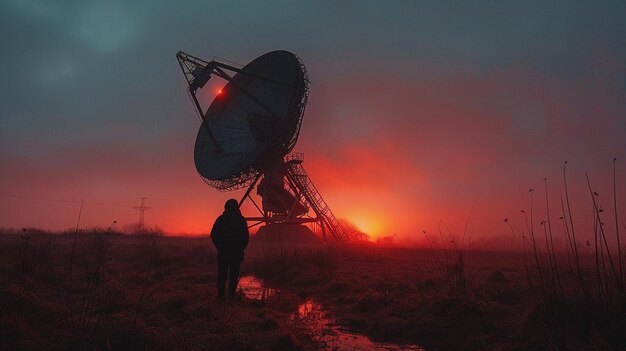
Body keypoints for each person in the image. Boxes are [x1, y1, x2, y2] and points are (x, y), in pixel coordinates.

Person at [210, 198, 249, 301]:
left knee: (222, 275)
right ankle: (231, 296)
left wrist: (220, 246)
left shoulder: (220, 219)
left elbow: (213, 235)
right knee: (233, 276)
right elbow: (245, 237)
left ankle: (220, 296)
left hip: (223, 253)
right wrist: (241, 248)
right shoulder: (241, 220)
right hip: (236, 254)